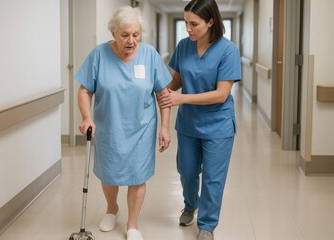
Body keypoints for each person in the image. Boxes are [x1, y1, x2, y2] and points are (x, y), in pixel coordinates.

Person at [75, 6, 172, 240]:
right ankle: (112, 209)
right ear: (113, 34)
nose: (131, 41)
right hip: (109, 128)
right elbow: (84, 90)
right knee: (109, 175)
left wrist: (165, 127)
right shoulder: (98, 55)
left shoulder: (149, 55)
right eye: (125, 35)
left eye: (136, 34)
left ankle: (132, 224)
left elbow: (163, 94)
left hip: (142, 128)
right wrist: (87, 117)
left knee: (137, 177)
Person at [158, 0, 241, 240]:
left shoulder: (228, 50)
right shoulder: (184, 46)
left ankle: (207, 225)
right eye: (186, 23)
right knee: (186, 170)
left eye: (194, 24)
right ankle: (190, 204)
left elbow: (221, 93)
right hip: (188, 124)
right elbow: (176, 80)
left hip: (218, 125)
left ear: (211, 22)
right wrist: (159, 90)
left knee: (214, 177)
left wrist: (181, 99)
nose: (188, 28)